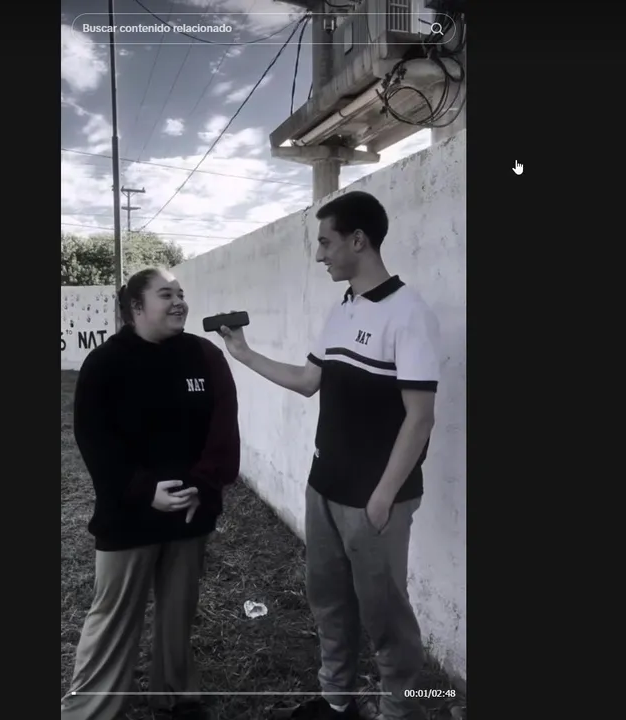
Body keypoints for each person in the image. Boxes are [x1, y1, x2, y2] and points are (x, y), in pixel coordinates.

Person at [218, 191, 442, 720]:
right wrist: (244, 353)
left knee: (385, 618)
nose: (319, 255)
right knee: (329, 603)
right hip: (324, 487)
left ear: (357, 241)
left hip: (375, 500)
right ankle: (338, 701)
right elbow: (307, 380)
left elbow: (420, 418)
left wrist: (382, 498)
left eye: (325, 242)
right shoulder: (343, 309)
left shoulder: (408, 314)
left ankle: (401, 710)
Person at [61, 268, 241, 720]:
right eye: (166, 294)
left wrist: (202, 486)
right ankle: (89, 710)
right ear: (137, 307)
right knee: (113, 615)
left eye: (181, 293)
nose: (179, 301)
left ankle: (177, 697)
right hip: (129, 516)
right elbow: (94, 441)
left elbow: (224, 429)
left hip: (189, 513)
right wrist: (143, 491)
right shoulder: (106, 363)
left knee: (179, 614)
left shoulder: (205, 356)